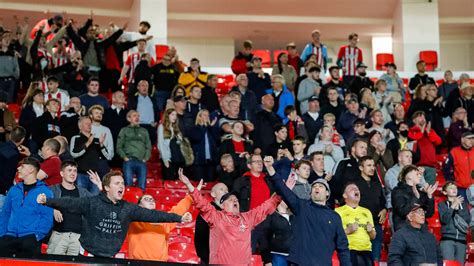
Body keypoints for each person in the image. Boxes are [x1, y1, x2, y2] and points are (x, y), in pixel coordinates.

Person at [37, 171, 191, 257]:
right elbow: (69, 203)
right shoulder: (92, 202)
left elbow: (155, 215)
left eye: (123, 183)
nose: (122, 186)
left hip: (109, 257)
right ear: (106, 187)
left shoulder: (128, 208)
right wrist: (47, 201)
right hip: (87, 255)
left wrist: (178, 218)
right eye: (117, 183)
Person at [178, 168, 281, 265]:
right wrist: (188, 184)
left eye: (236, 199)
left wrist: (283, 192)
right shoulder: (217, 217)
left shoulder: (247, 218)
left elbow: (265, 207)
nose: (235, 200)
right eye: (230, 200)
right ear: (223, 205)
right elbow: (202, 203)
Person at [266, 156, 351, 265]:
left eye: (321, 186)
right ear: (310, 193)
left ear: (327, 193)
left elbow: (342, 247)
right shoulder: (301, 206)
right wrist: (271, 169)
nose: (316, 188)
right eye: (314, 186)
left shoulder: (334, 216)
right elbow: (283, 190)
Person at [0, 157, 53, 257]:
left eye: (22, 166)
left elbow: (47, 217)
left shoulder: (45, 191)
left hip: (30, 239)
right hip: (9, 237)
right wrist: (2, 234)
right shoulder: (14, 190)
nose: (18, 169)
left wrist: (37, 236)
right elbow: (5, 213)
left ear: (31, 169)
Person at [128, 192, 194, 261]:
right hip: (137, 262)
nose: (151, 200)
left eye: (152, 199)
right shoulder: (133, 220)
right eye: (146, 199)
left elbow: (179, 209)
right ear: (139, 205)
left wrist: (192, 195)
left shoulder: (165, 221)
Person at [46, 161, 93, 256]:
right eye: (69, 170)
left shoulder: (83, 192)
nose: (73, 173)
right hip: (58, 236)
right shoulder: (52, 190)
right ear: (61, 173)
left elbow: (98, 204)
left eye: (75, 171)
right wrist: (52, 210)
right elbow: (39, 203)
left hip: (78, 238)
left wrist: (99, 186)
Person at [353, 156, 387, 262]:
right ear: (361, 168)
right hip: (359, 226)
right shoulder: (354, 185)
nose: (372, 168)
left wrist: (384, 210)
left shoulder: (377, 184)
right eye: (369, 165)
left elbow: (383, 202)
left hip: (376, 225)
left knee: (375, 259)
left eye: (373, 165)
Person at [335, 183, 376, 266]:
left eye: (357, 189)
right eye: (352, 189)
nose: (356, 190)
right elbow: (333, 234)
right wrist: (347, 230)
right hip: (349, 250)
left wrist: (371, 231)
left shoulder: (367, 211)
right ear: (345, 195)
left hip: (367, 251)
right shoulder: (338, 211)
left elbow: (373, 236)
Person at [391, 164, 437, 231]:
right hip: (404, 230)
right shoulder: (398, 191)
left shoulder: (421, 192)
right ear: (409, 177)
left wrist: (429, 196)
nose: (420, 176)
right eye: (417, 174)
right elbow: (402, 212)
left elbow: (429, 214)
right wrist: (415, 198)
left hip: (420, 229)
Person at [194, 182, 228, 264]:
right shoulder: (206, 212)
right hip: (210, 259)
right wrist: (207, 258)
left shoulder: (230, 213)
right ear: (213, 194)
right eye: (221, 189)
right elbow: (200, 237)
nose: (225, 192)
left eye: (227, 190)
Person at [70, 116, 106, 195]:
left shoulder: (96, 140)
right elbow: (74, 154)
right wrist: (88, 143)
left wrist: (102, 145)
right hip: (81, 174)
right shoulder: (75, 138)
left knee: (94, 201)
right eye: (87, 123)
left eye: (90, 124)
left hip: (95, 176)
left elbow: (106, 157)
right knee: (82, 201)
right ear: (80, 126)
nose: (89, 125)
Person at [116, 110, 151, 190]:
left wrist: (145, 158)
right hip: (129, 160)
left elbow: (148, 146)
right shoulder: (124, 130)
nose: (137, 117)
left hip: (141, 161)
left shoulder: (144, 131)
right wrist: (125, 157)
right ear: (129, 118)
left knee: (142, 186)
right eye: (134, 116)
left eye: (138, 116)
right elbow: (119, 146)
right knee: (128, 185)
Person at [438, 181, 471, 264]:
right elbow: (444, 220)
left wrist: (458, 208)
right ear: (445, 192)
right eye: (451, 188)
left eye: (455, 188)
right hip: (447, 241)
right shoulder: (442, 205)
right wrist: (453, 206)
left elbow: (467, 221)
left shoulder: (463, 205)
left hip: (462, 241)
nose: (454, 189)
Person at [408, 111, 442, 184]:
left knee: (430, 190)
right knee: (419, 189)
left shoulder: (430, 130)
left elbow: (438, 141)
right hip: (417, 166)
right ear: (414, 120)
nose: (423, 118)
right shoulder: (411, 130)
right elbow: (416, 138)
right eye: (420, 117)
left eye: (424, 117)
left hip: (431, 166)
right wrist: (422, 130)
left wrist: (429, 132)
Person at [331, 139, 367, 206]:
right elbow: (334, 181)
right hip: (345, 204)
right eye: (361, 147)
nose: (364, 150)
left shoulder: (368, 166)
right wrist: (340, 199)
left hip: (364, 205)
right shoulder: (343, 162)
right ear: (353, 149)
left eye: (366, 148)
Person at [187, 109, 219, 181]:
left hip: (210, 161)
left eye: (208, 115)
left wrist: (211, 127)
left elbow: (217, 139)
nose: (207, 117)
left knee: (210, 182)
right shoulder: (194, 129)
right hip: (199, 162)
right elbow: (197, 138)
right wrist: (205, 127)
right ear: (199, 117)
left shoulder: (210, 129)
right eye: (204, 115)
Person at [444, 132, 474, 200]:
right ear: (462, 140)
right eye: (469, 138)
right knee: (462, 209)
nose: (472, 140)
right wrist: (451, 181)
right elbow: (446, 168)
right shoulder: (454, 152)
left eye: (473, 138)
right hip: (461, 188)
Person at [0, 127, 29, 195]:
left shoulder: (1, 145)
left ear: (10, 136)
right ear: (22, 139)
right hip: (2, 190)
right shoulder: (14, 154)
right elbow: (8, 176)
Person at [128, 80, 159, 144]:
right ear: (138, 87)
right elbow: (130, 112)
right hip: (139, 126)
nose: (145, 87)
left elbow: (157, 111)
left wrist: (156, 122)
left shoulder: (153, 99)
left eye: (146, 86)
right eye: (143, 85)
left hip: (151, 127)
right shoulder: (133, 99)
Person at [88, 104, 113, 169]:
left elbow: (110, 147)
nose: (99, 115)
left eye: (100, 113)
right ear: (91, 115)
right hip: (89, 161)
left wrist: (108, 158)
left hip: (102, 161)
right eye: (96, 113)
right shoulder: (87, 128)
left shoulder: (106, 130)